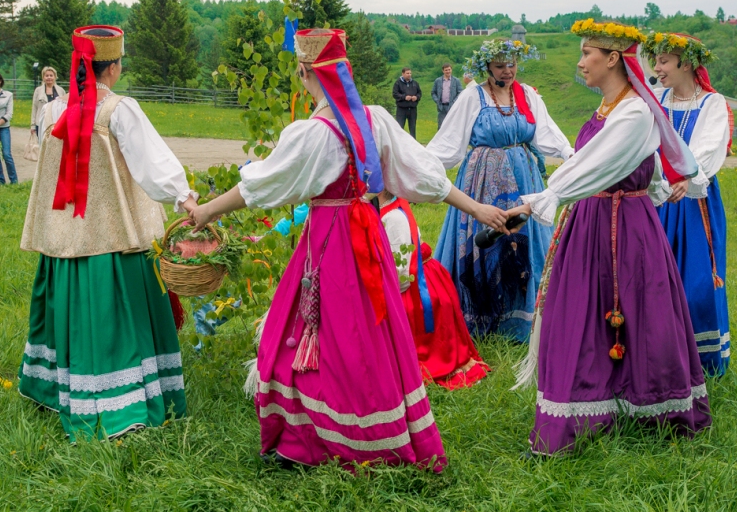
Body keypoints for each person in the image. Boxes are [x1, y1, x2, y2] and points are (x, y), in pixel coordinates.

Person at [189, 28, 508, 470]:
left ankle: (318, 433)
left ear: (304, 73)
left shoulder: (313, 133)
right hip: (367, 237)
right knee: (366, 334)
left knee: (317, 331)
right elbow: (423, 177)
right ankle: (374, 425)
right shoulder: (374, 119)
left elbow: (262, 188)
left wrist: (206, 211)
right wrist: (475, 207)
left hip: (328, 240)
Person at [509, 19, 711, 456]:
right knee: (584, 314)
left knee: (639, 314)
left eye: (587, 54)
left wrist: (540, 200)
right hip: (591, 222)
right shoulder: (609, 110)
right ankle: (590, 407)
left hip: (624, 227)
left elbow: (594, 165)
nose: (580, 63)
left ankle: (651, 408)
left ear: (614, 58)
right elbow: (620, 166)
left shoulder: (635, 113)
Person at [18, 25, 199, 442]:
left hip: (66, 239)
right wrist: (185, 198)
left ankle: (59, 387)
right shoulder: (119, 110)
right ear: (112, 67)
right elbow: (152, 163)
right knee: (120, 313)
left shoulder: (54, 112)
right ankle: (125, 399)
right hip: (116, 235)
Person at [427, 39, 573, 342]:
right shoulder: (473, 96)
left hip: (525, 179)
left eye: (512, 65)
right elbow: (448, 143)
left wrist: (573, 158)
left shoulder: (528, 96)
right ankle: (482, 315)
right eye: (499, 66)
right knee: (486, 243)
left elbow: (548, 135)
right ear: (486, 67)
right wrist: (416, 168)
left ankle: (521, 319)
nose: (507, 72)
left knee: (523, 245)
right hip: (482, 181)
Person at [647, 32, 732, 376]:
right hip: (656, 198)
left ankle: (701, 360)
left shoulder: (712, 103)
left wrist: (687, 175)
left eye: (664, 61)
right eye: (656, 61)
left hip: (694, 200)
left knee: (696, 280)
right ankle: (659, 359)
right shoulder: (656, 98)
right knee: (655, 278)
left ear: (685, 62)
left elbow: (710, 146)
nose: (657, 68)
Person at [379, 188, 490, 389]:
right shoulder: (386, 209)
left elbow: (402, 273)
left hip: (417, 287)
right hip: (416, 277)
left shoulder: (393, 217)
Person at [31, 66, 65, 136]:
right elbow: (34, 108)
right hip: (41, 122)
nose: (49, 77)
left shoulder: (61, 91)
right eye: (47, 76)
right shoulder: (38, 91)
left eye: (51, 75)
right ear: (43, 77)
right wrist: (33, 125)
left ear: (55, 77)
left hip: (56, 122)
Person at [430, 63, 463, 129]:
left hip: (452, 107)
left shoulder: (456, 81)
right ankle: (440, 139)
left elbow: (460, 93)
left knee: (452, 126)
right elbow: (433, 92)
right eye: (446, 70)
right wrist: (437, 101)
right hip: (441, 107)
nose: (448, 71)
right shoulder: (438, 81)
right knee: (441, 126)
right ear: (443, 71)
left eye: (449, 69)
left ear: (451, 70)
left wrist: (454, 102)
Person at [392, 66, 422, 138]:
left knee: (412, 127)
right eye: (407, 73)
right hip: (402, 108)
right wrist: (404, 97)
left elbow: (419, 93)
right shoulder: (398, 83)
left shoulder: (415, 83)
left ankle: (413, 144)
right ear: (403, 74)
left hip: (412, 108)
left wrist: (416, 97)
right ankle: (399, 143)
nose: (409, 75)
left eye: (410, 73)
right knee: (400, 126)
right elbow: (395, 94)